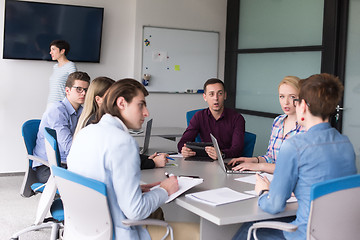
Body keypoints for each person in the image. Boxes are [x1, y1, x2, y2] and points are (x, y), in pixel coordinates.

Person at [232, 73, 357, 240]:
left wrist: (263, 191)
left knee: (248, 228)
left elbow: (274, 205)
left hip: (304, 234)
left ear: (303, 105)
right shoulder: (346, 144)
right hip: (340, 233)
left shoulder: (295, 146)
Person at [67, 79, 179, 239]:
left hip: (83, 231)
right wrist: (165, 190)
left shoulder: (86, 133)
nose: (146, 113)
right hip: (115, 232)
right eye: (141, 105)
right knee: (199, 234)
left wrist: (125, 190)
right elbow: (135, 211)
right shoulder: (123, 142)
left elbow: (94, 182)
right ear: (121, 103)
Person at [74, 76, 169, 169]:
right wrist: (152, 163)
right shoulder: (115, 136)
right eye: (140, 105)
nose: (146, 113)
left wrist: (147, 159)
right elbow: (123, 161)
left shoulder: (90, 128)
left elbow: (122, 157)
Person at [229, 76, 305, 173]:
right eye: (282, 96)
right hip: (271, 178)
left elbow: (295, 169)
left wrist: (260, 166)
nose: (286, 102)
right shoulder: (278, 121)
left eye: (292, 97)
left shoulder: (307, 127)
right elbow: (271, 158)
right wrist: (253, 160)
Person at [33, 71, 90, 183]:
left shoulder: (82, 112)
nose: (83, 93)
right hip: (48, 167)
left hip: (68, 164)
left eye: (86, 90)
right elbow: (69, 148)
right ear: (67, 90)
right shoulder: (57, 110)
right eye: (79, 89)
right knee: (86, 184)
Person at [178, 78, 245, 160]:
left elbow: (237, 150)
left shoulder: (237, 118)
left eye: (220, 94)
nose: (216, 98)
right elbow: (182, 143)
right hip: (204, 162)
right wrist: (184, 150)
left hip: (227, 162)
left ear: (225, 95)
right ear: (205, 97)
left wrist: (222, 154)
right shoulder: (199, 116)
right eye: (211, 94)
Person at [47, 40, 77, 108]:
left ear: (62, 51)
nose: (50, 52)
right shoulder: (55, 67)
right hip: (51, 103)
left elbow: (75, 86)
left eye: (53, 49)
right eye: (50, 50)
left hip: (62, 105)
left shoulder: (70, 66)